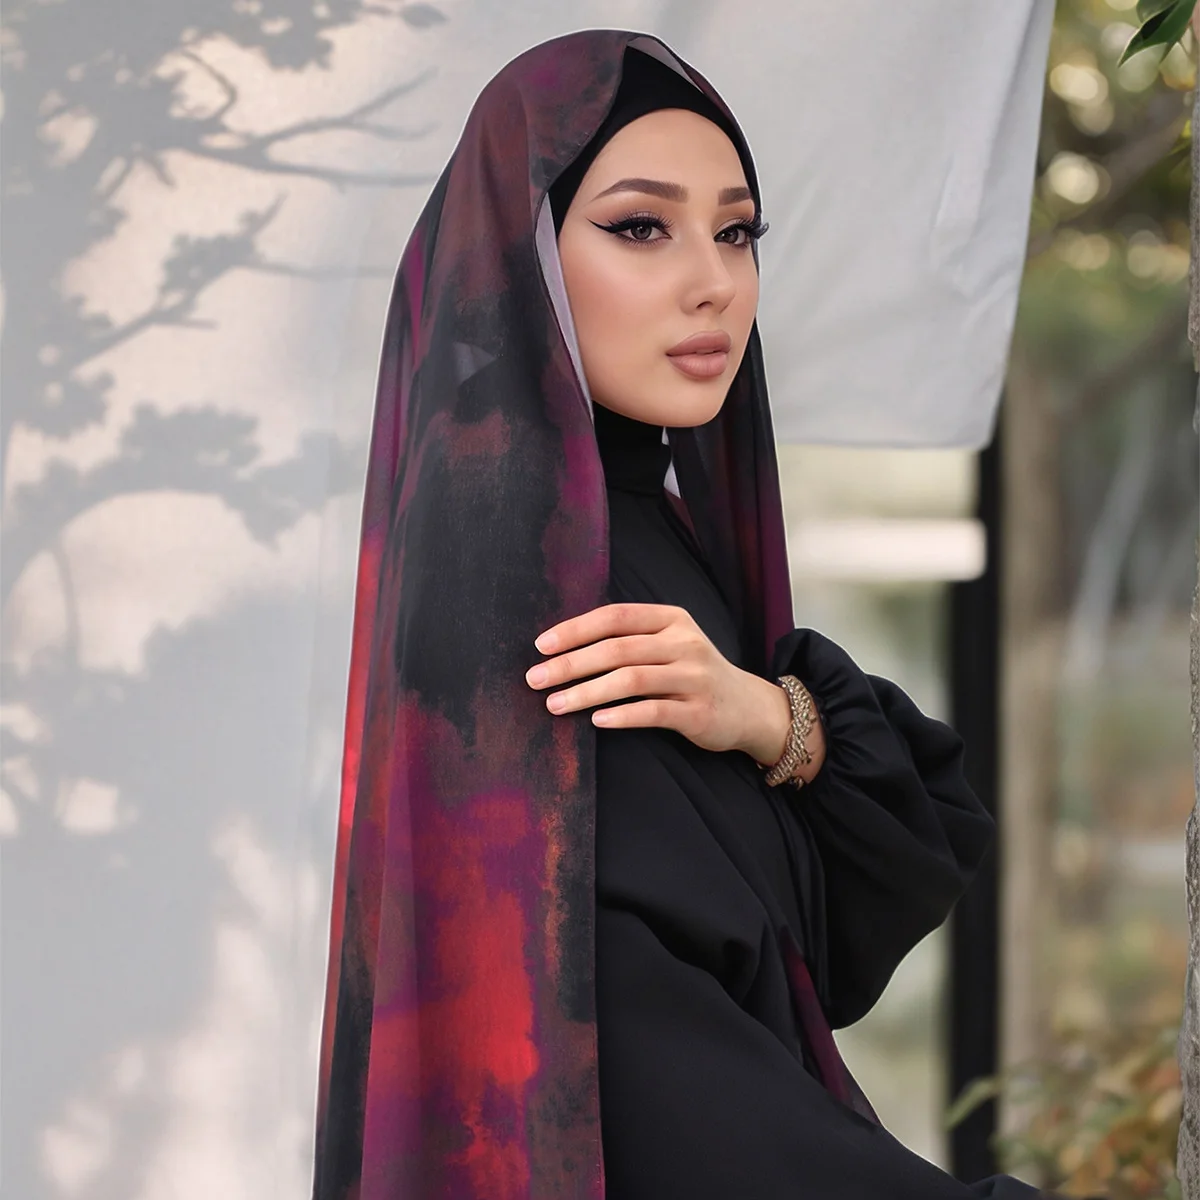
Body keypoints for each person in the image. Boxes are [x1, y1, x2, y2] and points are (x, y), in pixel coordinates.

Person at [312, 30, 1088, 1200]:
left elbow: (915, 844)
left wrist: (768, 718)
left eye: (736, 231)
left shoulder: (643, 538)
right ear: (521, 253)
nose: (713, 281)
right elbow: (634, 1074)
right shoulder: (518, 581)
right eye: (640, 227)